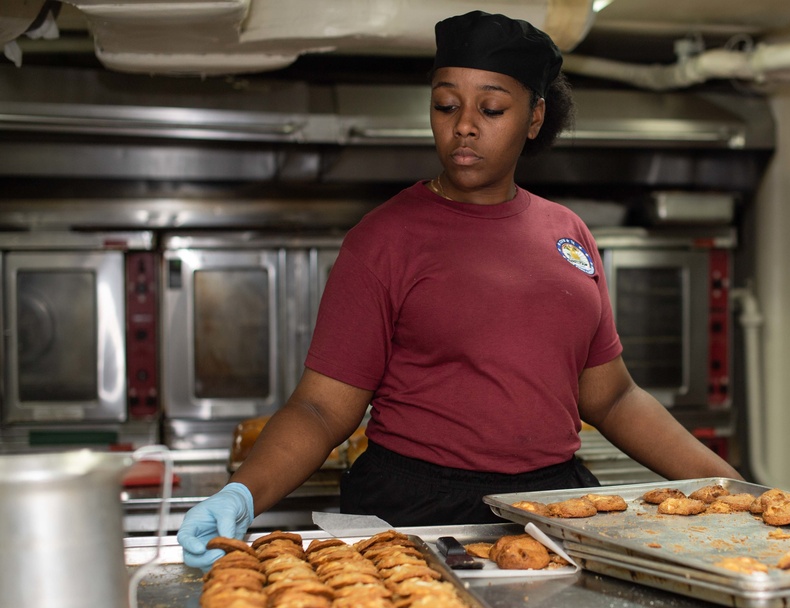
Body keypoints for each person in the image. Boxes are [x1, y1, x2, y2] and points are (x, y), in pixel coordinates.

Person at [177, 10, 742, 571]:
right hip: (417, 512)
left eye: (491, 108)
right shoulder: (383, 240)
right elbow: (322, 408)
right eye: (446, 105)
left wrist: (732, 487)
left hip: (549, 511)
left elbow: (614, 398)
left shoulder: (568, 234)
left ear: (534, 117)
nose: (464, 125)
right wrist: (243, 492)